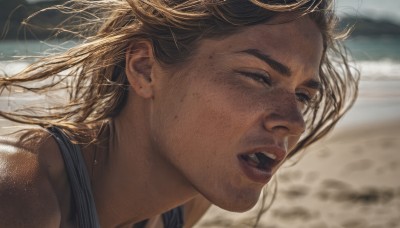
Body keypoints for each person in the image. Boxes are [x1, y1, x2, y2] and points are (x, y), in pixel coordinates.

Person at [0, 0, 358, 227]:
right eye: (258, 76)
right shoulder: (18, 196)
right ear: (145, 69)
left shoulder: (189, 198)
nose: (294, 121)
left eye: (302, 95)